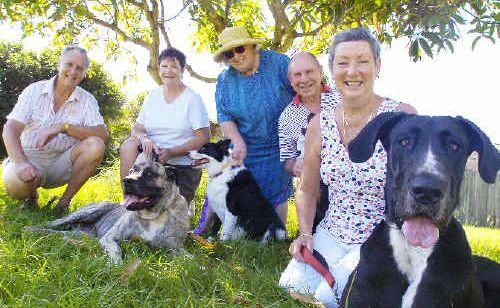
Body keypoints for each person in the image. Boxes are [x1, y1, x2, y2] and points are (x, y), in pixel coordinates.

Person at [279, 28, 417, 306]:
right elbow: (306, 188)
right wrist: (306, 233)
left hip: (382, 235)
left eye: (362, 61)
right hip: (333, 229)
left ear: (377, 66)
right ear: (331, 69)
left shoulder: (403, 117)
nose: (352, 71)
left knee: (327, 298)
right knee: (290, 286)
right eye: (342, 63)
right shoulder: (319, 124)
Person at [2, 46, 108, 214]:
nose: (73, 71)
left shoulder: (88, 100)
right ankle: (31, 197)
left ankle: (62, 205)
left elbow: (102, 134)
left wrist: (63, 127)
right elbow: (10, 129)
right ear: (59, 65)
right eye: (69, 64)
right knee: (17, 186)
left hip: (61, 162)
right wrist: (21, 163)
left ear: (84, 74)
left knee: (96, 144)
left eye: (79, 68)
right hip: (29, 156)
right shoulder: (34, 90)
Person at [213, 26, 295, 224]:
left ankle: (277, 235)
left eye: (240, 49)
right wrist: (237, 141)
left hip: (281, 143)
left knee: (275, 187)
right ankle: (218, 228)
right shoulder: (224, 80)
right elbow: (224, 115)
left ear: (252, 47)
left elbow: (303, 92)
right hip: (245, 143)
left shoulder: (280, 64)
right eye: (229, 53)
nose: (236, 56)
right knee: (230, 181)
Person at [120, 47, 210, 205]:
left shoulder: (192, 99)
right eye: (164, 66)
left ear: (182, 70)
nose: (168, 71)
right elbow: (137, 128)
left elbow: (204, 137)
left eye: (174, 66)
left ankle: (182, 204)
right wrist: (145, 138)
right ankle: (129, 199)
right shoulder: (152, 96)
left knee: (167, 217)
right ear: (159, 68)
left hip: (181, 166)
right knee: (129, 144)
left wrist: (171, 152)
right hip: (150, 158)